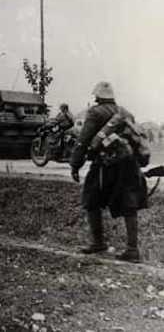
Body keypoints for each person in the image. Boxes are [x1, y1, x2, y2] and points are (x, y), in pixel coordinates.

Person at [70, 81, 148, 263]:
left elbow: (83, 140)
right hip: (129, 164)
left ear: (97, 97)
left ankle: (97, 242)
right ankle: (132, 249)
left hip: (104, 165)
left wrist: (75, 164)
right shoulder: (125, 112)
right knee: (129, 204)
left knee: (91, 199)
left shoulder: (95, 112)